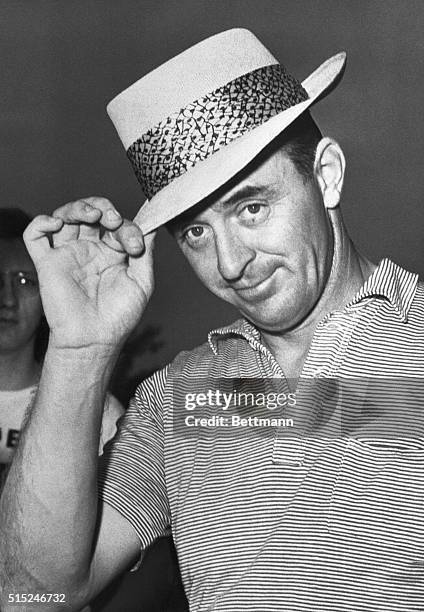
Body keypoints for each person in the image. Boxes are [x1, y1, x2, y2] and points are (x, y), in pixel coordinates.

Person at [1, 28, 423, 612]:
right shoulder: (180, 397)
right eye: (196, 232)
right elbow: (31, 596)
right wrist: (80, 350)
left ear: (326, 175)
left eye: (252, 208)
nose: (230, 263)